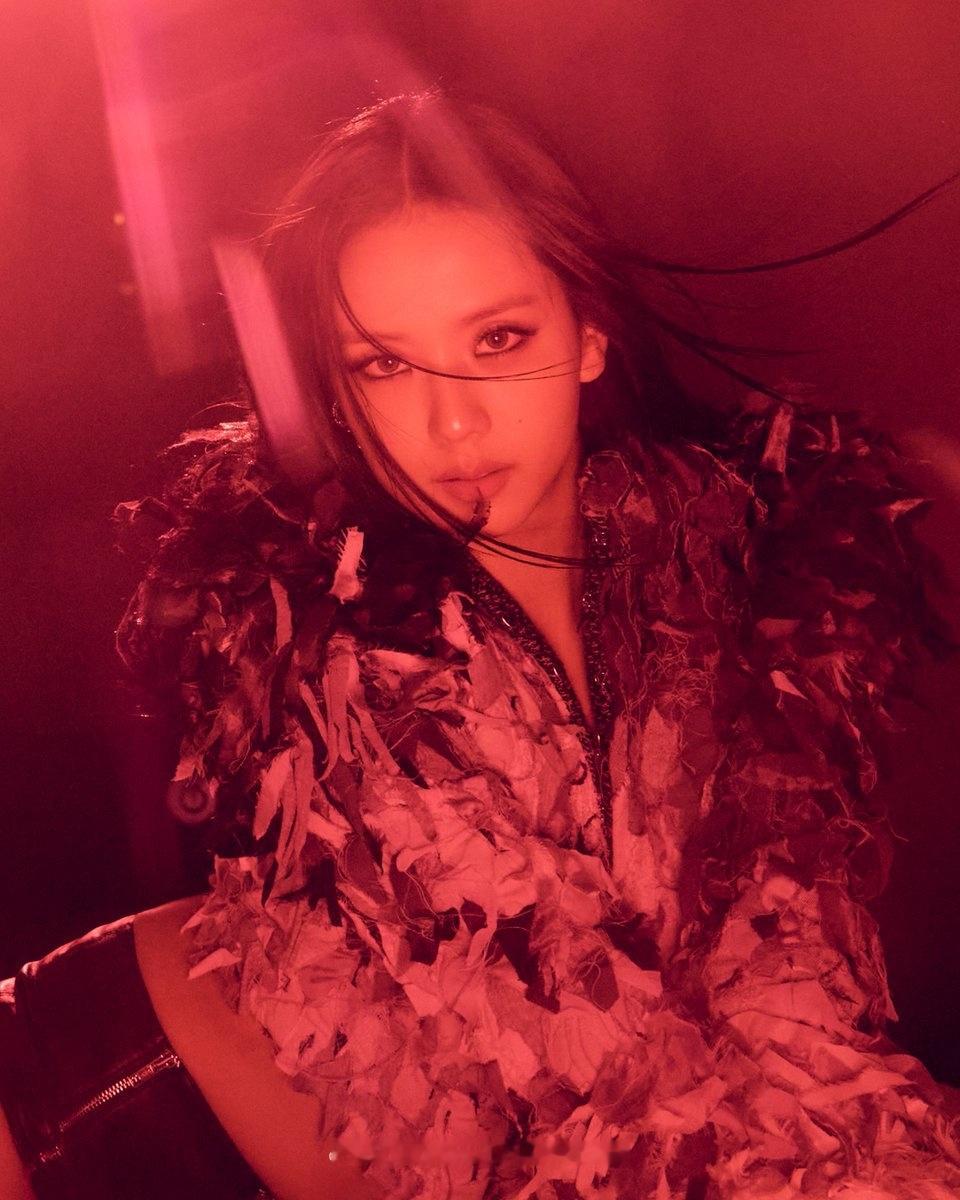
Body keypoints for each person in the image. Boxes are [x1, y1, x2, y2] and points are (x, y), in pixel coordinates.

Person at [2, 87, 959, 1200]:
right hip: (153, 1072)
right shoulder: (320, 644)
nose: (452, 424)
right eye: (385, 365)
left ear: (588, 335)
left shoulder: (765, 584)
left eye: (497, 340)